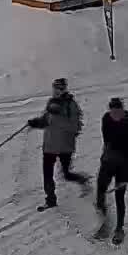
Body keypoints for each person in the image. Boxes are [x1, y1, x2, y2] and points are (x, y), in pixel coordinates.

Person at [27, 77, 87, 209]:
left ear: (64, 90)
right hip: (49, 145)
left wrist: (58, 117)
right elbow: (46, 120)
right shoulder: (51, 103)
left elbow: (75, 127)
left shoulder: (71, 105)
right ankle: (51, 200)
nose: (56, 92)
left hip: (65, 146)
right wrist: (36, 122)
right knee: (47, 174)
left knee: (66, 174)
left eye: (59, 89)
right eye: (55, 89)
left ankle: (82, 180)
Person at [96, 97, 128, 244]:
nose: (114, 115)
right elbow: (106, 141)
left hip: (124, 165)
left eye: (117, 112)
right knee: (100, 191)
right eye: (112, 112)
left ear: (122, 110)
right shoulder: (106, 119)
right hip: (108, 162)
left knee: (119, 196)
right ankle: (103, 220)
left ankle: (119, 228)